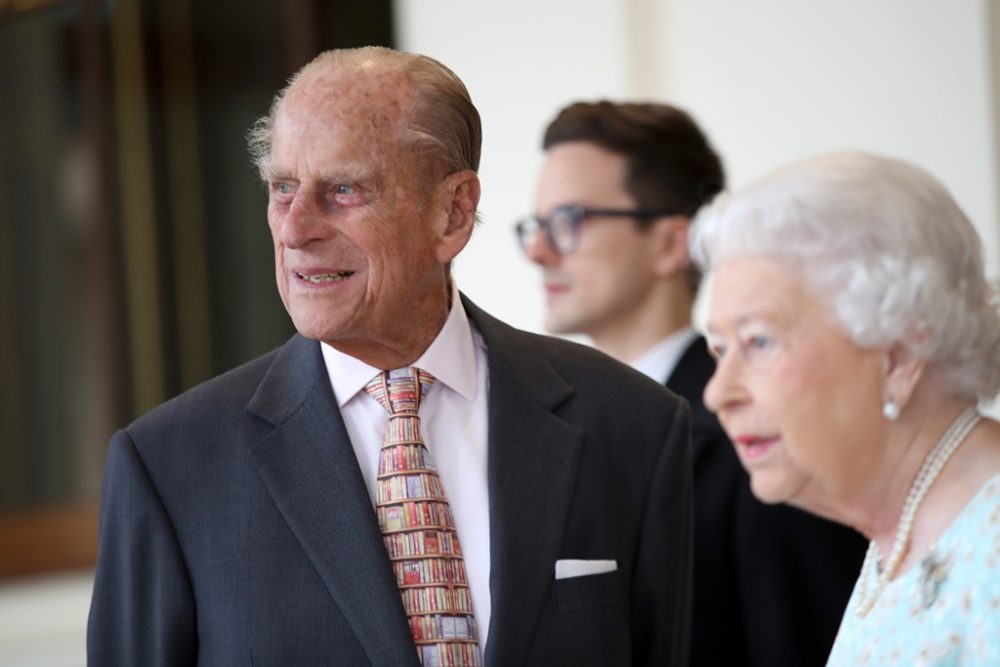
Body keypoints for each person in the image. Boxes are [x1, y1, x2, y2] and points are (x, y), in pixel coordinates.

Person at [87, 47, 694, 666]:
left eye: (343, 190)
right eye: (282, 188)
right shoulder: (169, 466)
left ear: (452, 213)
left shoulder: (632, 424)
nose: (295, 229)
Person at [517, 101, 867, 666]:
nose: (538, 250)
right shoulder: (548, 436)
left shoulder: (759, 429)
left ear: (670, 243)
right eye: (536, 226)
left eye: (570, 220)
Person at [691, 151, 1000, 665]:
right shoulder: (897, 542)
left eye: (759, 342)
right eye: (720, 352)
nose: (717, 393)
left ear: (898, 356)